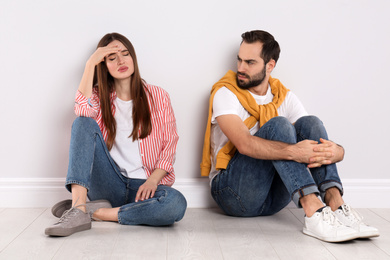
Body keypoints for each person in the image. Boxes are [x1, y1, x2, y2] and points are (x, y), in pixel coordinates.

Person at [200, 30, 379, 242]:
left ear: (270, 65)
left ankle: (336, 204)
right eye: (239, 60)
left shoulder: (283, 95)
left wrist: (338, 151)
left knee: (310, 122)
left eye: (250, 62)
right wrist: (295, 152)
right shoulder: (226, 92)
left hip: (275, 199)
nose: (240, 68)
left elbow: (311, 134)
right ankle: (313, 211)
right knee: (280, 125)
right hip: (233, 194)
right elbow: (245, 144)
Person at [45, 33, 187, 237]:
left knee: (176, 204)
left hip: (143, 186)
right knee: (82, 123)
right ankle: (78, 209)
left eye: (125, 54)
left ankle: (98, 212)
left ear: (133, 58)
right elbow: (82, 112)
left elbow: (169, 145)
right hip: (109, 183)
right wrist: (90, 63)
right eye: (112, 58)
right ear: (104, 66)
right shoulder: (98, 97)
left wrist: (152, 181)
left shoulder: (158, 96)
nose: (121, 61)